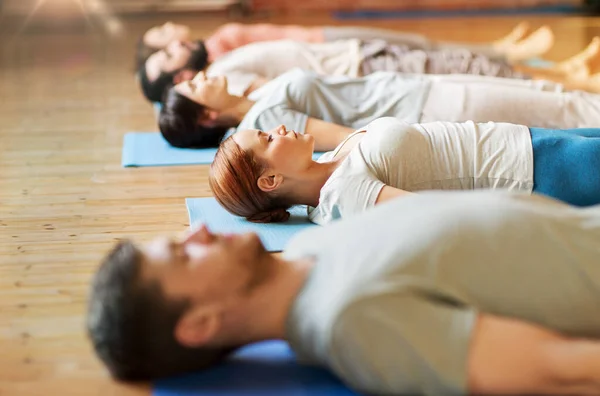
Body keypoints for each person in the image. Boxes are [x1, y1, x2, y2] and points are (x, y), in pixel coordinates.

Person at [87, 189, 600, 395]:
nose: (197, 232)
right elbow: (558, 367)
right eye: (183, 255)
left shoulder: (312, 244)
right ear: (200, 324)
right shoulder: (351, 322)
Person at [209, 117, 600, 224]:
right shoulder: (344, 195)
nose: (278, 128)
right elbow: (439, 217)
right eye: (267, 138)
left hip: (525, 140)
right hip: (534, 172)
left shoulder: (331, 159)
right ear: (271, 180)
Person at [159, 64, 600, 149]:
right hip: (429, 108)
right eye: (196, 88)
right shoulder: (265, 119)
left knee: (560, 100)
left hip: (420, 89)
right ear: (206, 116)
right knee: (570, 112)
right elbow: (346, 139)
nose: (200, 76)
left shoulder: (257, 97)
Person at [139, 23, 557, 103]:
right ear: (180, 76)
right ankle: (563, 80)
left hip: (352, 57)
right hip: (358, 67)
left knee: (453, 60)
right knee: (460, 68)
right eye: (165, 48)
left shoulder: (222, 64)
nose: (175, 38)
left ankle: (557, 76)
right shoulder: (225, 73)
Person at [140, 21, 546, 65]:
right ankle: (506, 53)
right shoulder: (220, 52)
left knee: (421, 42)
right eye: (161, 36)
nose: (170, 28)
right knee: (421, 50)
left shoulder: (217, 42)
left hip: (323, 39)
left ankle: (500, 47)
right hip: (331, 47)